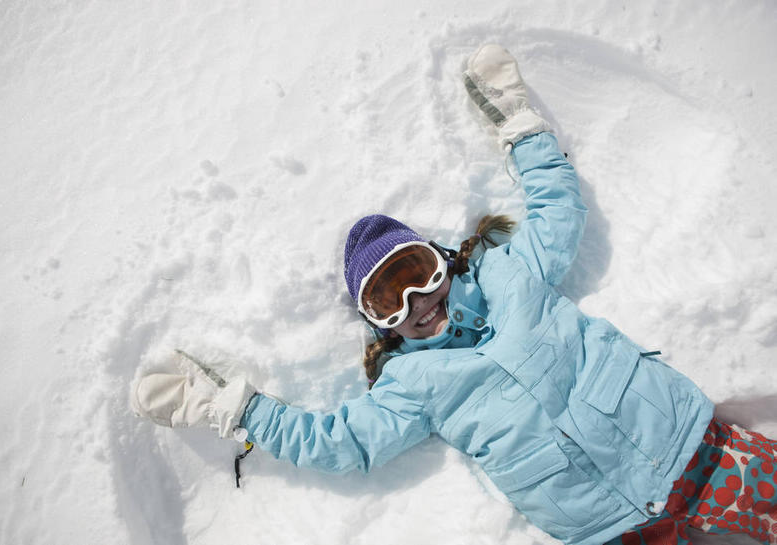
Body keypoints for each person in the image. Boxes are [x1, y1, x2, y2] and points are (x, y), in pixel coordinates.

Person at [131, 45, 777, 545]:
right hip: (608, 530)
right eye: (389, 299)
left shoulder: (508, 274)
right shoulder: (412, 385)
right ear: (380, 325)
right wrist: (234, 407)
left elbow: (557, 212)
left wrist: (520, 126)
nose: (416, 301)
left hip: (689, 446)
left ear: (441, 262)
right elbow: (338, 441)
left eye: (415, 272)